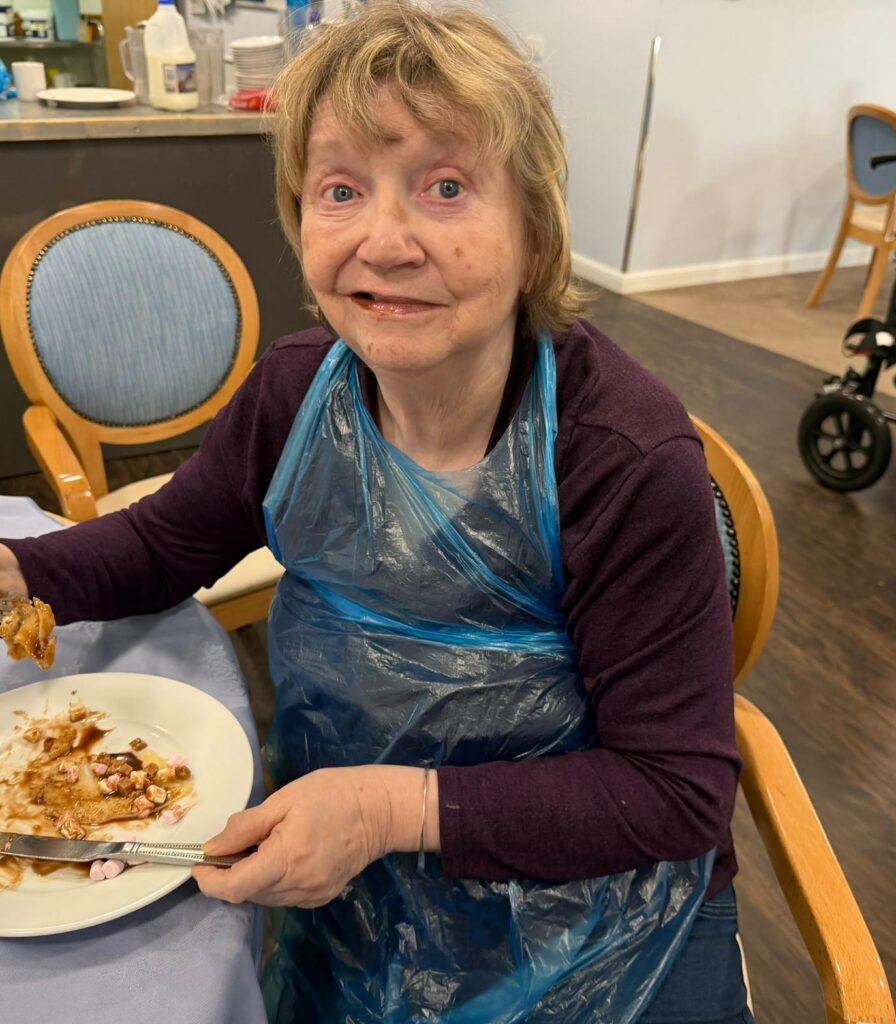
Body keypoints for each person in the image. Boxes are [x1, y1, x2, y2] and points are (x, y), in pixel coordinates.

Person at [0, 3, 752, 1022]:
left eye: (445, 187)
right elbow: (163, 543)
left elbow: (670, 790)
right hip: (355, 873)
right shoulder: (295, 393)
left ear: (534, 234)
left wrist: (384, 808)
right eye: (341, 190)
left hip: (597, 904)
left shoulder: (620, 457)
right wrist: (20, 570)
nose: (384, 243)